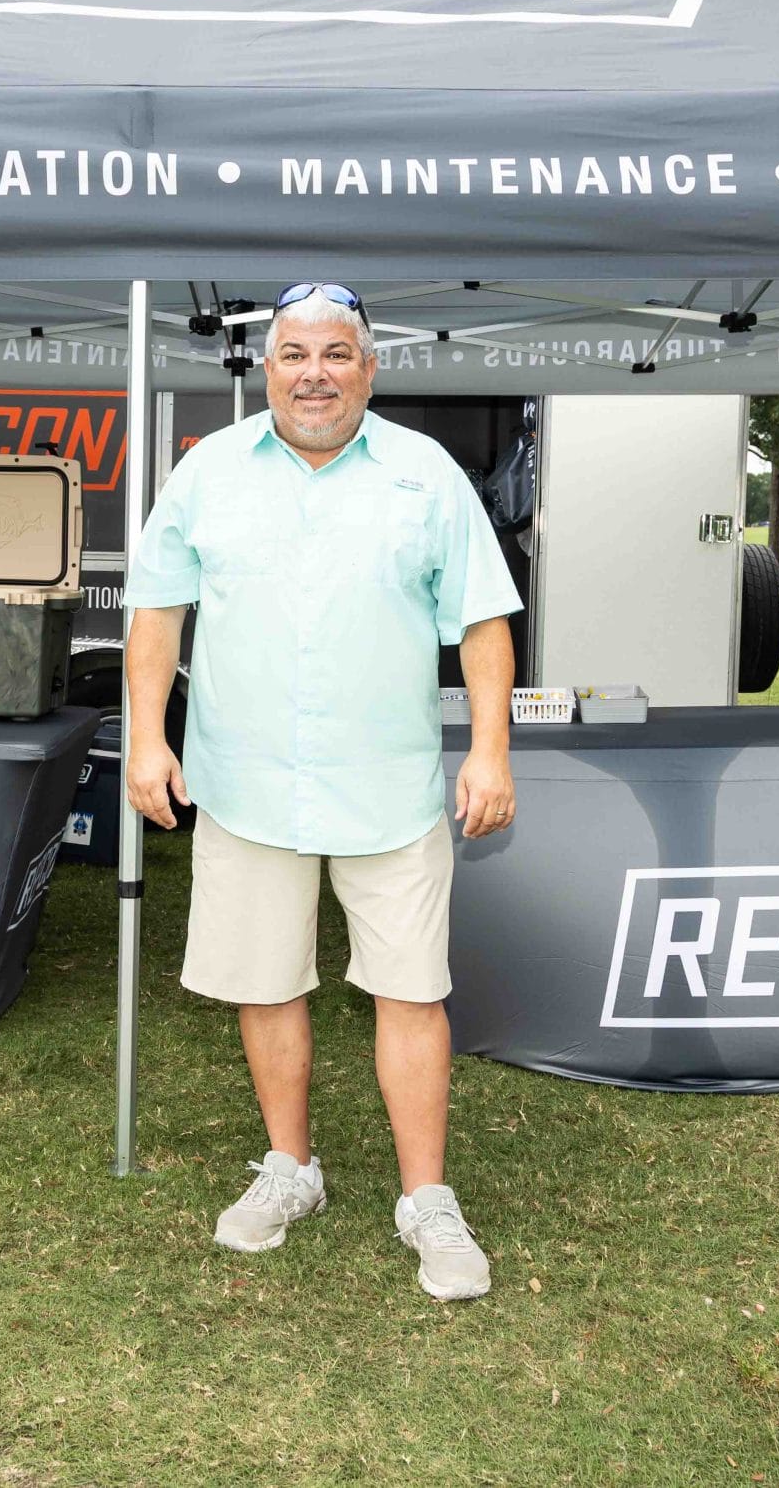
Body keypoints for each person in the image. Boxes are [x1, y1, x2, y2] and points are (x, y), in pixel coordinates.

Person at [122, 281, 523, 1302]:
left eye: (337, 354)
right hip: (245, 782)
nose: (315, 374)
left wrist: (489, 750)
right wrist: (145, 741)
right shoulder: (208, 472)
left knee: (411, 991)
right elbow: (157, 614)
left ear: (369, 369)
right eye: (295, 354)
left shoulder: (425, 475)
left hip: (387, 786)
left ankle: (427, 1199)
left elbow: (482, 620)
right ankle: (290, 1167)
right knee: (264, 982)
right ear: (267, 370)